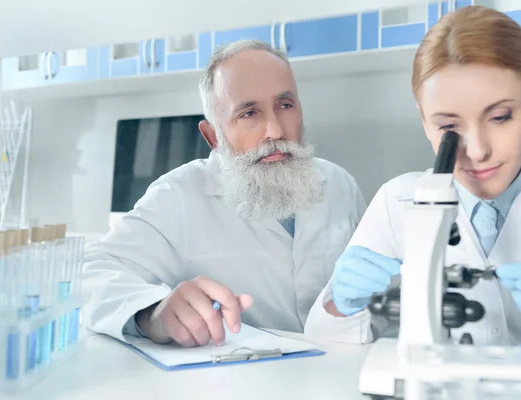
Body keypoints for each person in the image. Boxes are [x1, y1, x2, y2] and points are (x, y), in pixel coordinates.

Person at [305, 5, 521, 349]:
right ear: (425, 122)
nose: (477, 151)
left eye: (500, 117)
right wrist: (342, 303)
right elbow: (326, 348)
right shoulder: (397, 203)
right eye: (449, 127)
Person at [82, 39, 366, 348]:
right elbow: (91, 272)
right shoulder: (178, 196)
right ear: (213, 136)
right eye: (249, 113)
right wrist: (153, 313)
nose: (275, 131)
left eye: (285, 105)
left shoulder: (339, 184)